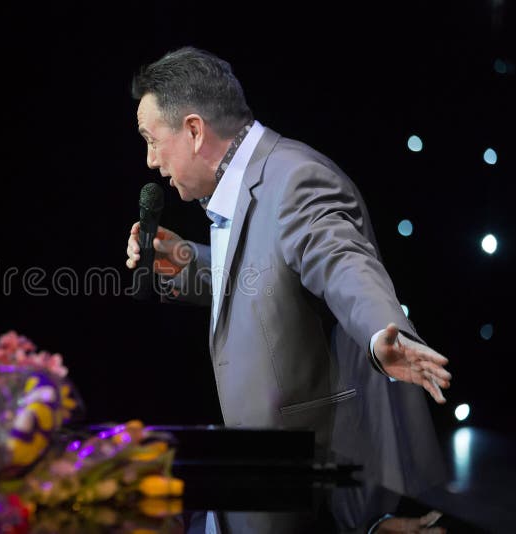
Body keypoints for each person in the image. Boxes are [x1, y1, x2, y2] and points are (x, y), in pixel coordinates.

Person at [125, 46, 451, 498]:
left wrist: (381, 332)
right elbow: (266, 274)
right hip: (265, 473)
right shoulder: (241, 180)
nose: (150, 160)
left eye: (151, 139)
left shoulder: (297, 179)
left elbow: (342, 263)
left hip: (324, 483)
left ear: (194, 130)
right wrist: (189, 261)